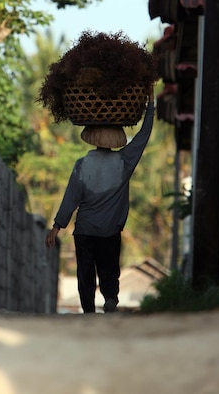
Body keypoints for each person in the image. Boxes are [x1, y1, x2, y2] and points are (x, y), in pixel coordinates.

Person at [45, 86, 155, 314]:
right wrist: (150, 105)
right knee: (109, 270)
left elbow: (70, 199)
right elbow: (143, 136)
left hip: (84, 231)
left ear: (92, 138)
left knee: (85, 273)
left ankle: (88, 311)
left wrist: (57, 227)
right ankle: (110, 299)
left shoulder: (82, 164)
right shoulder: (124, 162)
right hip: (109, 231)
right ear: (116, 140)